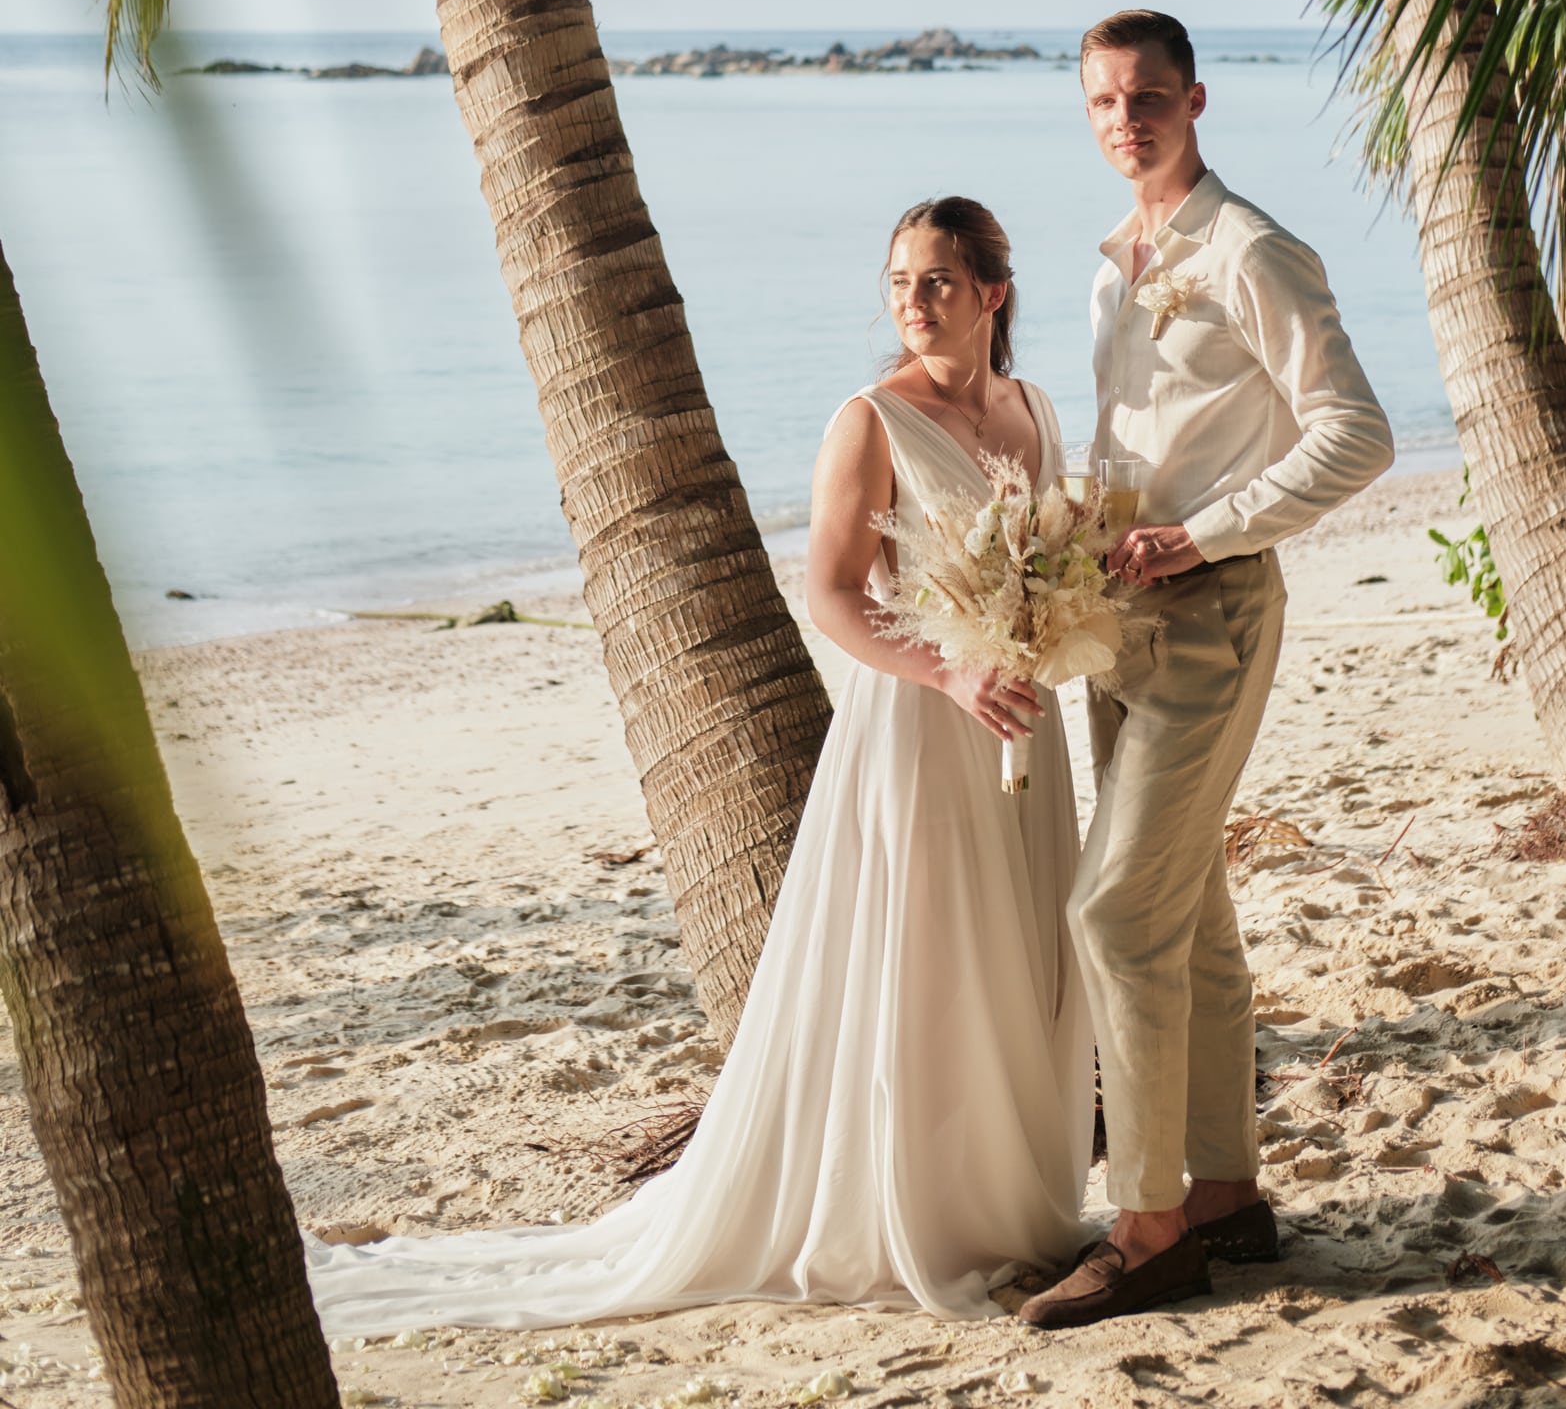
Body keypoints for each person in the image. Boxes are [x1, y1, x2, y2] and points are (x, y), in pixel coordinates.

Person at [308, 196, 1093, 1335]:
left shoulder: (1034, 409)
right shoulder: (871, 419)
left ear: (993, 294)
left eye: (936, 281)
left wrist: (1043, 638)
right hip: (923, 727)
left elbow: (1047, 560)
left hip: (1022, 725)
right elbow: (830, 593)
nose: (912, 303)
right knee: (932, 961)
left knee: (1023, 951)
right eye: (898, 282)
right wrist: (952, 673)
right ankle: (921, 1211)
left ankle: (1017, 1200)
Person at [1020, 12, 1393, 1328]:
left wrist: (1207, 531)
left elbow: (1356, 433)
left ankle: (1147, 1221)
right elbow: (1146, 439)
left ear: (1193, 101)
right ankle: (1228, 1196)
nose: (1125, 120)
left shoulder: (1249, 252)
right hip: (1112, 621)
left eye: (1147, 99)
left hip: (1213, 611)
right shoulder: (1113, 262)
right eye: (1103, 103)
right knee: (1186, 914)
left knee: (1112, 912)